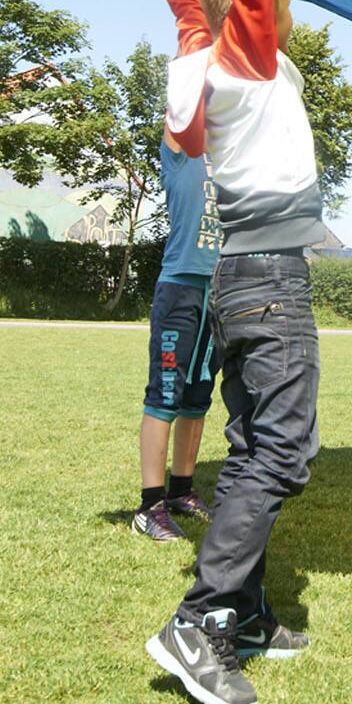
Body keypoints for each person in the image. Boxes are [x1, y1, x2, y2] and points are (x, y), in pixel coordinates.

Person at [124, 0, 322, 704]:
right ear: (257, 5)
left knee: (252, 445)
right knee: (281, 450)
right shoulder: (248, 57)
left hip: (245, 280)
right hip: (270, 282)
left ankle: (243, 615)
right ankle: (201, 622)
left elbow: (188, 1)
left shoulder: (209, 57)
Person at [130, 124, 222, 542]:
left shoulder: (233, 163)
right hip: (180, 289)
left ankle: (182, 491)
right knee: (165, 393)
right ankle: (150, 506)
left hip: (218, 291)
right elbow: (179, 107)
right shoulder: (182, 154)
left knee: (198, 395)